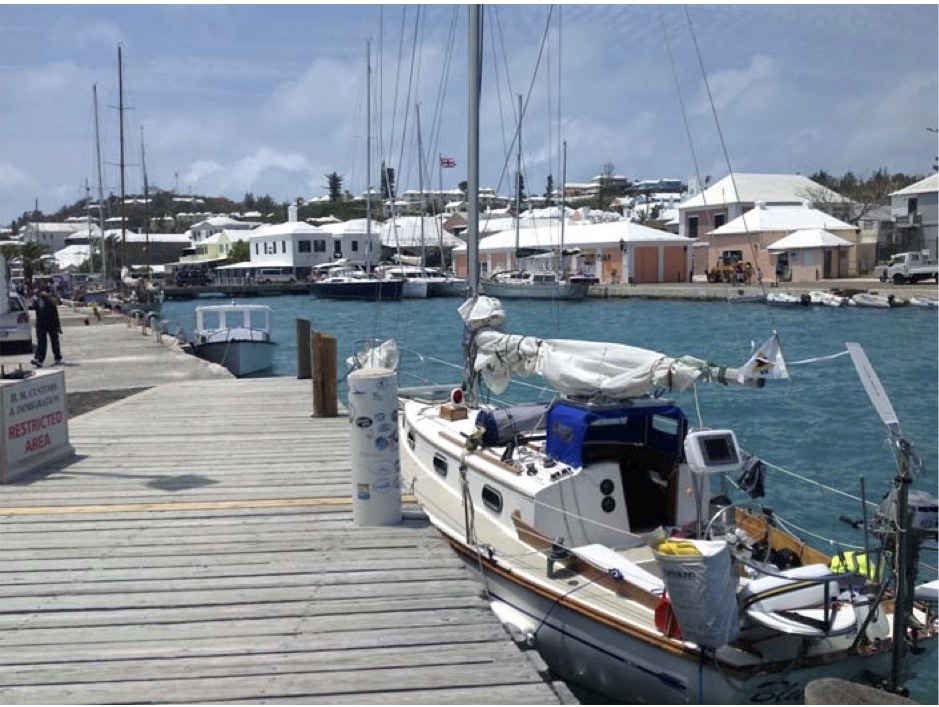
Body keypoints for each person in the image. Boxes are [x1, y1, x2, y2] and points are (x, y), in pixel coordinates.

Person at [30, 285, 63, 368]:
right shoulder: (37, 298)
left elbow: (58, 303)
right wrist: (35, 299)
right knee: (41, 342)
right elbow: (33, 306)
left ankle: (57, 357)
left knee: (54, 341)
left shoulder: (51, 297)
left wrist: (48, 296)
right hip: (41, 323)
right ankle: (39, 359)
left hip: (52, 322)